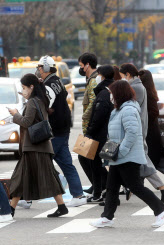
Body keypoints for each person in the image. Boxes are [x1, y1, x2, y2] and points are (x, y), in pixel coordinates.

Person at [90, 80, 164, 228]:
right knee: (112, 187)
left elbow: (132, 133)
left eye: (112, 94)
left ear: (119, 94)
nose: (110, 96)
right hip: (118, 156)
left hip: (128, 157)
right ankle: (107, 217)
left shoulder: (128, 110)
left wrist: (121, 151)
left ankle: (161, 210)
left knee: (135, 187)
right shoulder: (118, 110)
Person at [8, 74, 67, 218]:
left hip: (34, 147)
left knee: (21, 177)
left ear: (31, 87)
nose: (23, 90)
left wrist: (15, 114)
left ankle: (10, 209)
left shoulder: (33, 102)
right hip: (39, 147)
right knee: (44, 176)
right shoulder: (39, 100)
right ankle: (61, 206)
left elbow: (27, 122)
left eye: (24, 88)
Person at [36, 55, 86, 207]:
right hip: (63, 129)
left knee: (40, 162)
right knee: (66, 163)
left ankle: (27, 197)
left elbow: (45, 106)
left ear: (45, 68)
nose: (38, 70)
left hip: (54, 130)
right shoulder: (56, 81)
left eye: (39, 67)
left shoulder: (48, 86)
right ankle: (78, 194)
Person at [119, 63, 164, 203]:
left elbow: (124, 104)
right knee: (140, 160)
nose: (122, 79)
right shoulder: (138, 86)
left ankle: (161, 188)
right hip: (138, 128)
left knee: (141, 160)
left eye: (122, 76)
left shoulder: (136, 87)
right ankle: (159, 188)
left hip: (136, 129)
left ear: (128, 75)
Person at [85, 65, 115, 202]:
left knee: (96, 164)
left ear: (102, 76)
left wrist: (89, 131)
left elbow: (98, 116)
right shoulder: (112, 89)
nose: (97, 77)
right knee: (105, 164)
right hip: (107, 134)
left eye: (98, 74)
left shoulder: (104, 93)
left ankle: (101, 193)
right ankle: (103, 193)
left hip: (100, 135)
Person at [77, 53, 100, 195]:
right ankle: (97, 185)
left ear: (88, 65)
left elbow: (93, 103)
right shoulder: (90, 79)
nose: (81, 69)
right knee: (89, 158)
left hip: (91, 126)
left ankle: (99, 186)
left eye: (81, 66)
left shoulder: (93, 80)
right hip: (89, 126)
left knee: (85, 157)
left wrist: (84, 117)